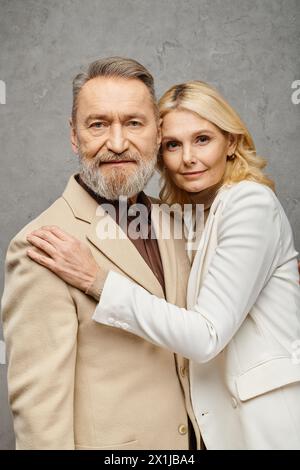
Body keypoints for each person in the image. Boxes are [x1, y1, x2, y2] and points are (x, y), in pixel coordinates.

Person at [26, 80, 300, 450]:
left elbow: (205, 336)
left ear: (231, 142)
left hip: (263, 423)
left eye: (203, 139)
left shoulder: (249, 203)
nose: (188, 157)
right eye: (173, 144)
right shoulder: (180, 217)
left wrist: (97, 281)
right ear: (158, 149)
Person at [1, 57, 200, 450]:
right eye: (98, 124)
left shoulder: (178, 222)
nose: (117, 142)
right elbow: (41, 419)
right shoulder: (40, 245)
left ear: (158, 133)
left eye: (133, 122)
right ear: (74, 136)